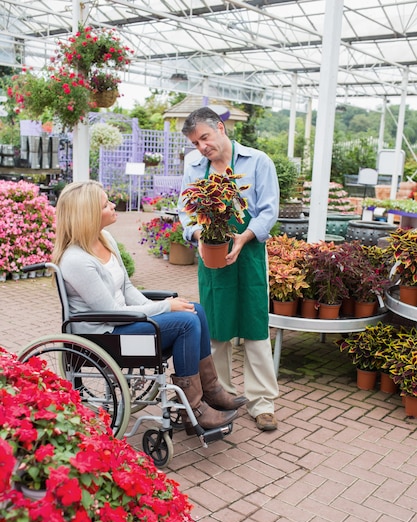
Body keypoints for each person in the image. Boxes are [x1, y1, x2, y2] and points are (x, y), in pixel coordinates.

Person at [52, 180, 248, 433]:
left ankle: (211, 391)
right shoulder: (76, 260)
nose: (113, 205)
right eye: (105, 204)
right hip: (104, 337)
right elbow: (111, 314)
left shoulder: (105, 238)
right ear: (88, 215)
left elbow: (127, 290)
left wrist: (159, 306)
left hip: (123, 323)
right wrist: (165, 307)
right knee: (186, 322)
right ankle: (195, 409)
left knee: (194, 310)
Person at [178, 107, 279, 431]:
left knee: (255, 327)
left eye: (204, 137)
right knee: (216, 329)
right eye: (195, 143)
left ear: (220, 128)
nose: (201, 147)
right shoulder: (194, 166)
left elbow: (268, 210)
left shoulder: (257, 161)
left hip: (249, 254)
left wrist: (245, 236)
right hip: (213, 256)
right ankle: (222, 394)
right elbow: (185, 212)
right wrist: (198, 234)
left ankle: (262, 402)